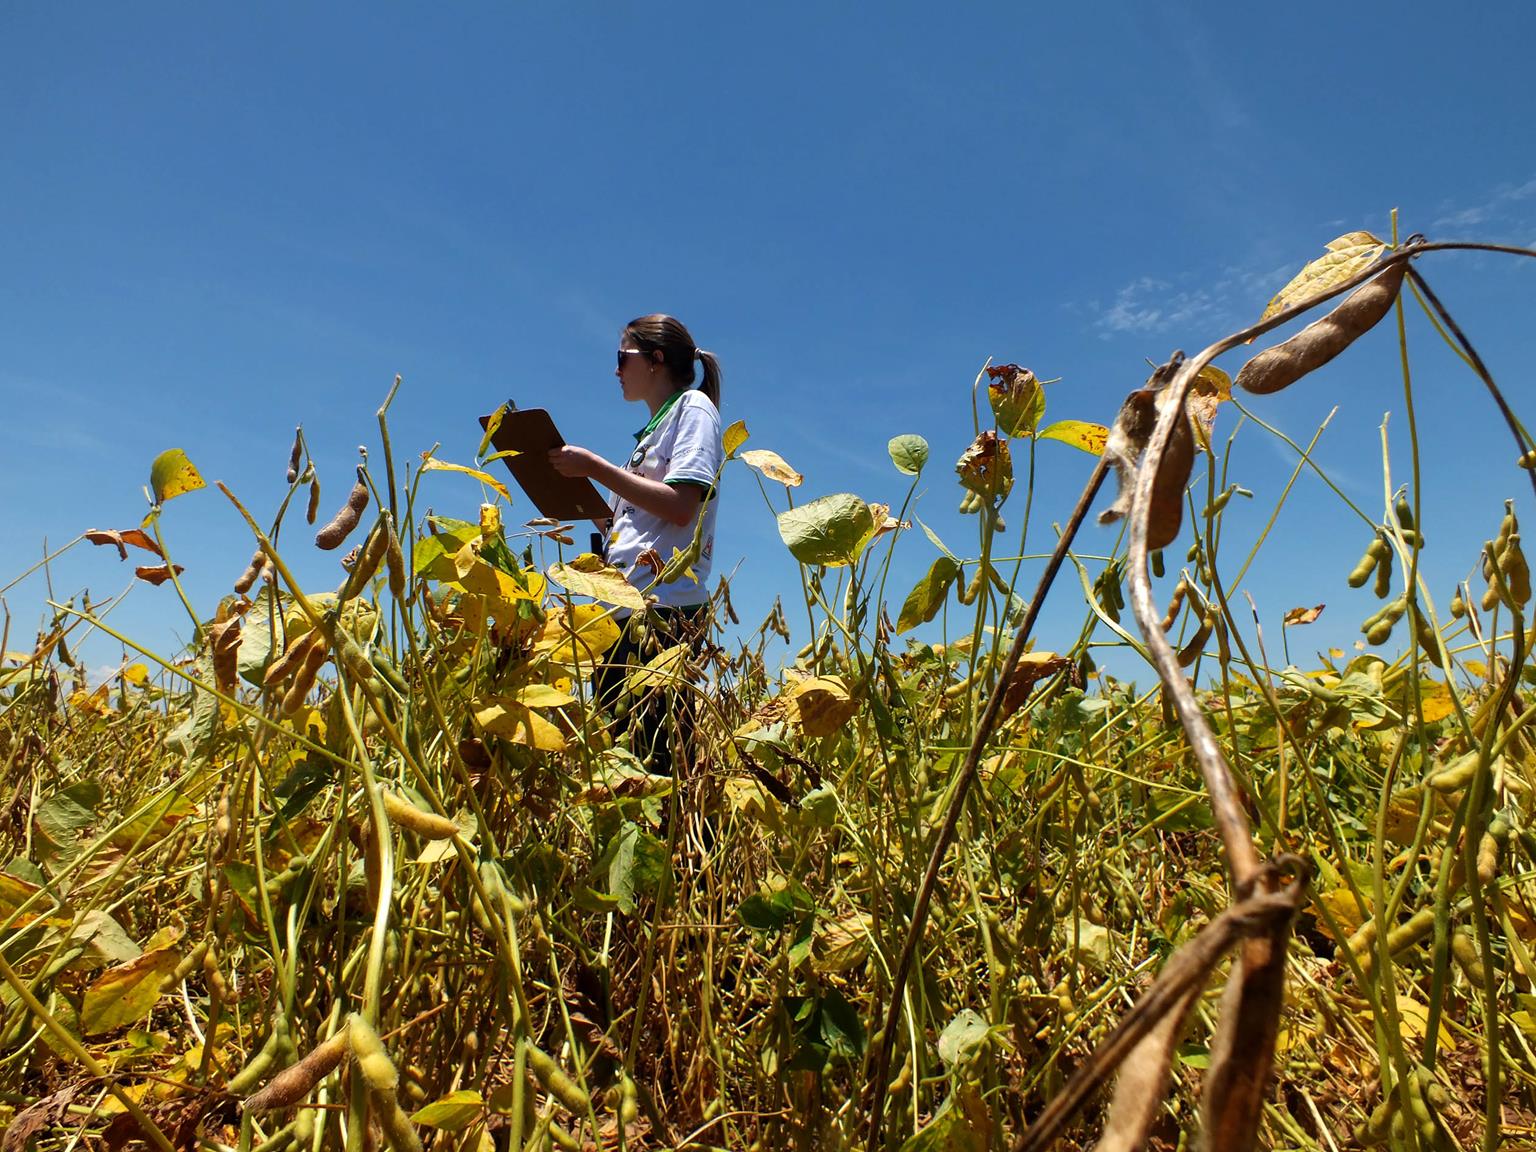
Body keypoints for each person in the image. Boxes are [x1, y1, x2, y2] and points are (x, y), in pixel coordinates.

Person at [548, 314, 723, 773]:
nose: (616, 370)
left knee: (657, 761)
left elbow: (683, 505)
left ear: (655, 359)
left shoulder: (695, 410)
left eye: (622, 358)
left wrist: (594, 467)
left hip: (663, 608)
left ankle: (674, 842)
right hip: (624, 606)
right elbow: (642, 521)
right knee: (620, 757)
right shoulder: (649, 436)